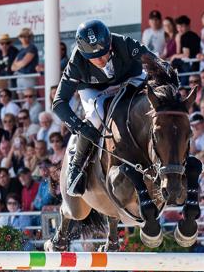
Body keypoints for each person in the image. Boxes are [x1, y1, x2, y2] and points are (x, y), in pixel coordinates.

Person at [51, 19, 162, 197]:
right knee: (95, 117)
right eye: (94, 57)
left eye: (104, 53)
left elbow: (155, 62)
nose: (101, 59)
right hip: (95, 90)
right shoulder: (76, 62)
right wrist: (80, 127)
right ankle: (76, 166)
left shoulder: (123, 43)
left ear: (110, 42)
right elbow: (58, 103)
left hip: (129, 80)